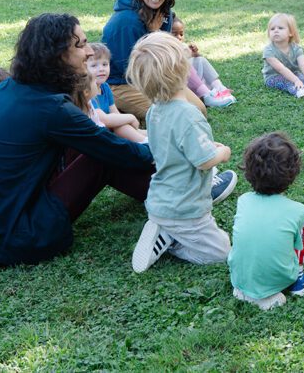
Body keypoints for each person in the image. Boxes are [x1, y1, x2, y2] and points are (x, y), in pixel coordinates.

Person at [0, 13, 155, 265]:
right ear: (57, 55)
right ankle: (171, 195)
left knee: (92, 145)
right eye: (79, 45)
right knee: (101, 155)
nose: (90, 51)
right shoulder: (51, 108)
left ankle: (165, 187)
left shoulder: (9, 87)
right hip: (10, 236)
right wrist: (169, 157)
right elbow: (114, 150)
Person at [128, 33, 233, 273]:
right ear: (183, 71)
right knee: (222, 251)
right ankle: (172, 241)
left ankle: (163, 227)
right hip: (185, 209)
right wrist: (223, 152)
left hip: (160, 199)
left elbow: (173, 145)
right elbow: (205, 161)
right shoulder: (187, 114)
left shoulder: (155, 110)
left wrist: (207, 144)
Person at [101, 0, 208, 123]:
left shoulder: (163, 10)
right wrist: (153, 33)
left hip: (157, 76)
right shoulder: (125, 22)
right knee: (176, 118)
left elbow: (170, 55)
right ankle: (127, 111)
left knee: (199, 112)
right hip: (122, 83)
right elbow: (134, 70)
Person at [229, 133, 304, 310]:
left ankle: (245, 290)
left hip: (239, 277)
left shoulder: (243, 200)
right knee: (298, 244)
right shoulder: (298, 210)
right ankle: (296, 281)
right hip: (280, 277)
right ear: (292, 173)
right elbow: (301, 250)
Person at [171, 14, 237, 106]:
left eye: (181, 34)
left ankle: (219, 87)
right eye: (174, 34)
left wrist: (194, 54)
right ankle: (206, 96)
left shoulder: (182, 46)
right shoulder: (168, 50)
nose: (179, 37)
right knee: (186, 64)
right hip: (182, 84)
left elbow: (194, 61)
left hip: (194, 81)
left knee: (200, 60)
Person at [87, 42, 148, 143]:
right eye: (94, 65)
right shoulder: (87, 91)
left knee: (122, 124)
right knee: (119, 126)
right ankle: (145, 143)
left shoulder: (105, 87)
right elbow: (103, 119)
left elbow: (114, 112)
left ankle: (150, 137)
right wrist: (131, 117)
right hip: (96, 134)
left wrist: (126, 122)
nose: (101, 69)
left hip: (108, 129)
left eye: (105, 64)